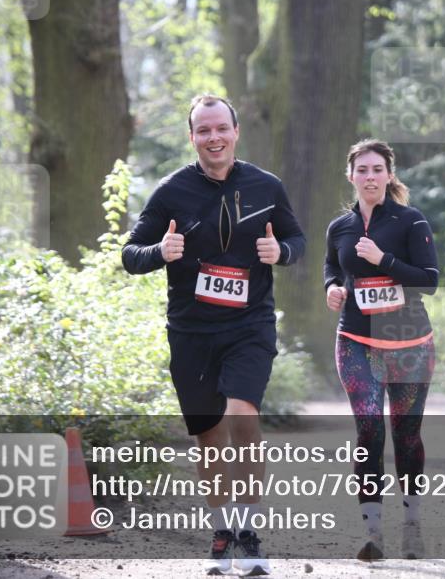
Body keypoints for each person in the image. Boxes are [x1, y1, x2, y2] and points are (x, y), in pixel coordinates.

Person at [122, 94, 306, 577]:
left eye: (221, 127)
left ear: (236, 131)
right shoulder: (171, 191)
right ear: (192, 137)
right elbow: (129, 254)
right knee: (209, 437)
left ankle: (249, 532)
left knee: (242, 414)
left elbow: (298, 240)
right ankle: (223, 533)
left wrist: (281, 252)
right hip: (191, 332)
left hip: (249, 325)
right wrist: (159, 252)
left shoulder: (266, 186)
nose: (214, 137)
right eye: (203, 130)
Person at [324, 139, 439, 562]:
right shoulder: (340, 227)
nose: (370, 177)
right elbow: (332, 265)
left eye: (377, 169)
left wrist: (383, 259)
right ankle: (372, 533)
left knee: (406, 435)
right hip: (356, 341)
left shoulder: (410, 221)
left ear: (389, 175)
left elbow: (429, 279)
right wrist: (332, 287)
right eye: (362, 170)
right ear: (350, 175)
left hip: (410, 344)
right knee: (368, 431)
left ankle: (411, 525)